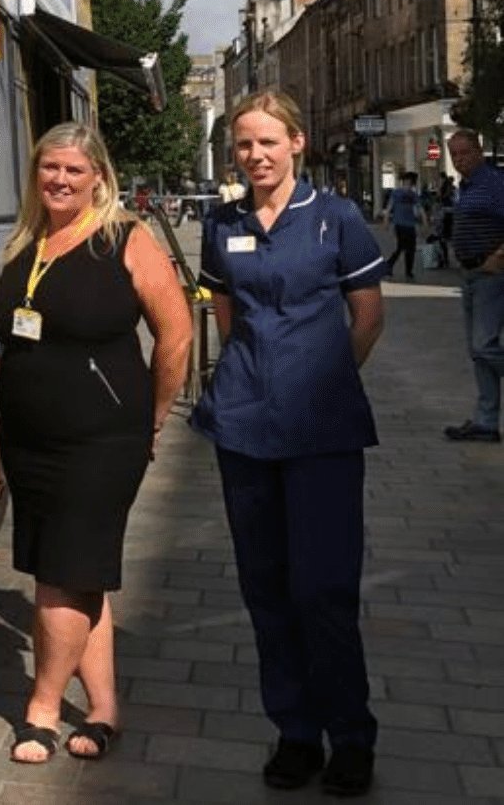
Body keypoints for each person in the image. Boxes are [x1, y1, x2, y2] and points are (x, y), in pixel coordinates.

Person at [192, 90, 385, 796]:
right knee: (267, 589)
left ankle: (351, 738)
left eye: (269, 142)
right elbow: (224, 310)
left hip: (322, 431)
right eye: (245, 144)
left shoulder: (336, 219)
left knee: (324, 589)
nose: (256, 155)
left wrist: (322, 379)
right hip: (243, 426)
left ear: (297, 143)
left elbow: (367, 316)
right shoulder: (224, 223)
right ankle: (296, 734)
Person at [0, 122, 190, 766]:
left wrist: (153, 417)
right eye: (51, 169)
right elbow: (8, 345)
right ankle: (103, 708)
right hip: (31, 441)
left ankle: (42, 707)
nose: (61, 180)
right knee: (83, 575)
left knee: (60, 576)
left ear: (99, 176)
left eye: (74, 170)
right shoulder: (27, 240)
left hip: (100, 440)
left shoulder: (124, 239)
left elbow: (177, 333)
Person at [442, 129, 504, 443]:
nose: (459, 160)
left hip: (492, 274)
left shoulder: (493, 183)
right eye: (454, 155)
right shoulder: (465, 187)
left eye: (464, 153)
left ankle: (487, 419)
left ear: (479, 151)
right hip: (471, 275)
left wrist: (499, 255)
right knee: (477, 352)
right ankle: (486, 421)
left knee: (483, 346)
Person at [383, 171, 423, 280]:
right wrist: (386, 220)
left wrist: (424, 221)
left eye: (410, 182)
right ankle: (391, 266)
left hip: (411, 225)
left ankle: (407, 271)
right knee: (402, 246)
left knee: (410, 249)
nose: (408, 184)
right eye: (406, 181)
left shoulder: (414, 195)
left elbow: (420, 208)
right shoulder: (396, 193)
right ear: (403, 182)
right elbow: (389, 207)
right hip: (399, 224)